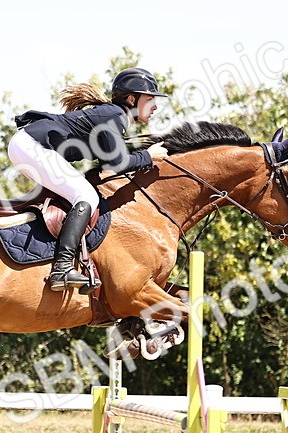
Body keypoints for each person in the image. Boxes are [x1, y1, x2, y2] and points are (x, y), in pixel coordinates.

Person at [9, 67, 169, 291]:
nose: (155, 106)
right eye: (150, 99)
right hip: (32, 146)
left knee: (78, 192)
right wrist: (148, 156)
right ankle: (62, 268)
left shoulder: (113, 116)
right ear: (132, 98)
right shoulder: (115, 116)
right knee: (85, 195)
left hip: (28, 145)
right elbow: (118, 163)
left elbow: (109, 162)